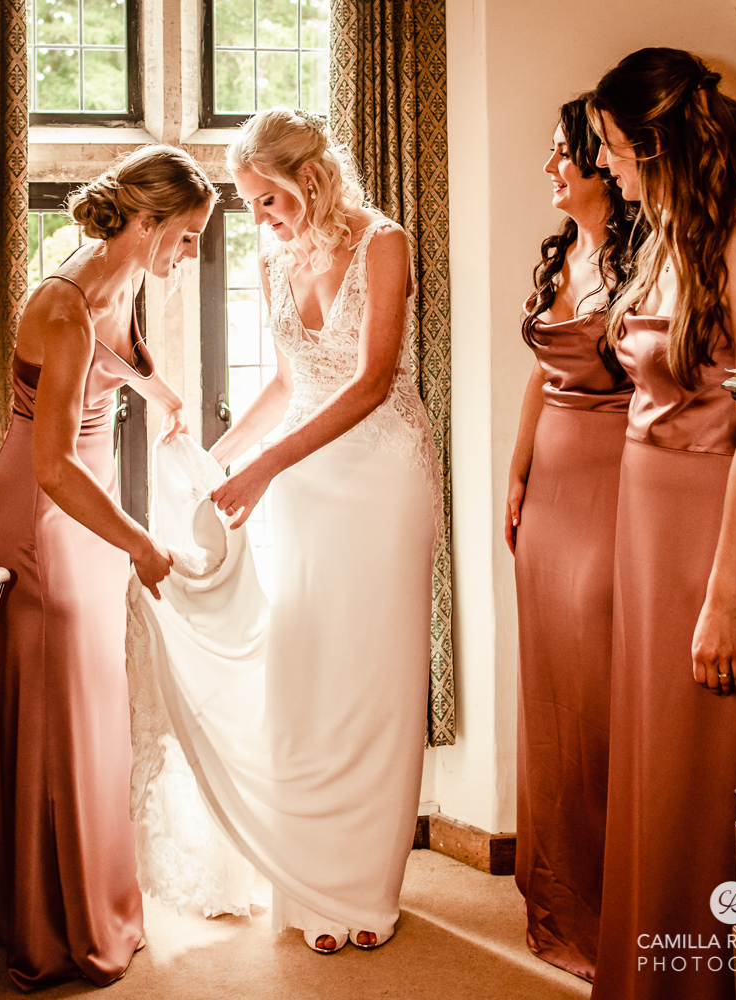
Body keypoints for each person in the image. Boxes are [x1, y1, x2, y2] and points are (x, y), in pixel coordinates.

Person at [134, 106, 439, 955]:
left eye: (266, 201)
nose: (260, 220)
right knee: (308, 670)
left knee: (375, 677)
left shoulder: (384, 242)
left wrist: (266, 467)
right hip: (305, 483)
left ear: (308, 179)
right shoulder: (276, 258)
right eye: (251, 205)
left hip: (383, 477)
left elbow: (373, 380)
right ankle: (311, 884)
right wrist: (219, 453)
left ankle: (368, 889)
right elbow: (287, 380)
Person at [585, 48, 736, 1000]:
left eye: (612, 148)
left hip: (711, 530)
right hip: (646, 520)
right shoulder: (663, 233)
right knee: (651, 766)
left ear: (655, 142)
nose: (604, 165)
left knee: (699, 771)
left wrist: (723, 598)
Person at [0, 145, 215, 990]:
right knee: (62, 705)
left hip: (81, 496)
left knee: (86, 700)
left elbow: (129, 353)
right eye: (185, 239)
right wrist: (139, 543)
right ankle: (51, 928)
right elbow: (52, 468)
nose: (190, 257)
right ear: (146, 223)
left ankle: (54, 902)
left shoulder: (128, 275)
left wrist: (164, 395)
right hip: (43, 511)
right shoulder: (63, 307)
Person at [506, 95, 640, 983]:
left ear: (602, 164)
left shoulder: (643, 258)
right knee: (549, 693)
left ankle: (611, 908)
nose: (549, 169)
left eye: (562, 155)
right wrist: (516, 477)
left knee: (599, 699)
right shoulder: (565, 251)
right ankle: (555, 897)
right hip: (549, 488)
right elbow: (540, 377)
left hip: (613, 484)